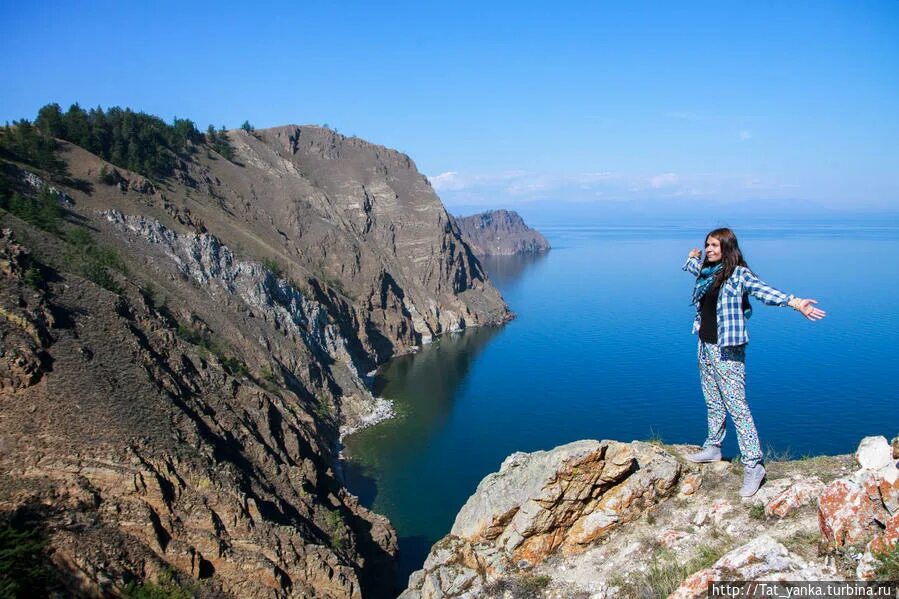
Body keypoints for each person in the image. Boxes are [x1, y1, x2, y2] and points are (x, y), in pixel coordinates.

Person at [682, 227, 826, 497]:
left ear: (728, 247)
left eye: (715, 245)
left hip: (728, 350)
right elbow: (693, 268)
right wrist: (691, 257)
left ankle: (753, 465)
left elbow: (764, 292)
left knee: (737, 406)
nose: (710, 250)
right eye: (707, 245)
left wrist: (796, 303)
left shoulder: (738, 275)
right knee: (713, 400)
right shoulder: (706, 272)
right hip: (705, 344)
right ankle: (713, 447)